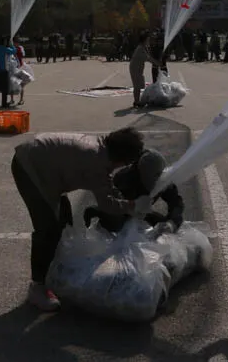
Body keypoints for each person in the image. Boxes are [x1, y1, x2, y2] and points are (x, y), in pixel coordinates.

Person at [11, 127, 144, 312]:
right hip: (30, 167)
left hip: (44, 164)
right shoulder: (97, 161)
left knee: (64, 224)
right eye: (126, 163)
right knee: (48, 229)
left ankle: (56, 273)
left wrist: (123, 199)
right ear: (120, 158)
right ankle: (37, 287)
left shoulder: (100, 150)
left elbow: (108, 188)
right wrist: (132, 206)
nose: (124, 167)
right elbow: (107, 205)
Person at [84, 148, 184, 233]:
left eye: (156, 179)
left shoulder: (162, 179)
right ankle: (97, 211)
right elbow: (114, 204)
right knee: (116, 224)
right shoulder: (124, 180)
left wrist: (172, 222)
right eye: (150, 180)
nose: (154, 184)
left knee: (165, 227)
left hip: (143, 210)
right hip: (125, 206)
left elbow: (176, 202)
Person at [129, 31, 159, 108]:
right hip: (135, 68)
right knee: (137, 86)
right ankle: (136, 102)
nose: (149, 41)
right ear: (144, 40)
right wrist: (156, 63)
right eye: (148, 40)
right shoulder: (140, 48)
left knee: (140, 85)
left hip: (139, 68)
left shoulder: (144, 47)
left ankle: (137, 101)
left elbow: (149, 56)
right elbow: (148, 58)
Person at [0, 37, 15, 110]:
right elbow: (13, 51)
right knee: (4, 87)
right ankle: (3, 103)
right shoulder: (4, 49)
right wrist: (12, 45)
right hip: (3, 70)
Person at [13, 35, 27, 106]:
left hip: (20, 67)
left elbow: (22, 55)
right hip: (12, 68)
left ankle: (21, 99)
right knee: (11, 83)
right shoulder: (10, 48)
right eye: (15, 42)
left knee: (21, 84)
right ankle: (12, 99)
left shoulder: (20, 48)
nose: (16, 44)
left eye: (17, 42)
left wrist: (17, 50)